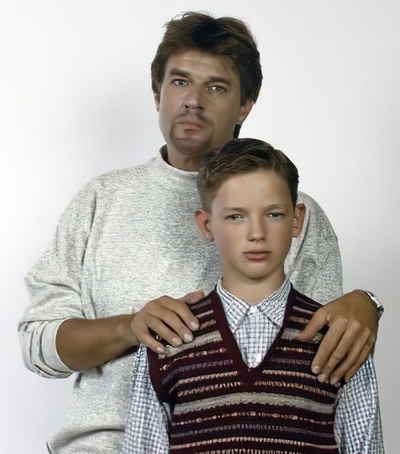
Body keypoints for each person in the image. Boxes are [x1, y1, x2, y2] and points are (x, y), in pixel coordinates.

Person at [18, 11, 381, 453]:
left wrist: (368, 303)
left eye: (217, 87)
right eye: (179, 82)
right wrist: (131, 327)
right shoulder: (99, 200)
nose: (193, 100)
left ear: (245, 105)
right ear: (157, 94)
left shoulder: (293, 214)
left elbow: (325, 356)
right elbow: (39, 347)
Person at [121, 138, 384, 453]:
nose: (256, 233)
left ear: (296, 219)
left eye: (274, 214)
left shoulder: (341, 338)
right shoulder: (167, 338)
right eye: (236, 216)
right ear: (207, 225)